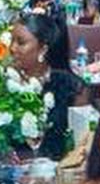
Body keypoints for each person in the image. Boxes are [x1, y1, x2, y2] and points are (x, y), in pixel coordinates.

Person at [9, 9, 82, 160]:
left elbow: (82, 143)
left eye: (20, 43)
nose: (12, 48)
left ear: (43, 49)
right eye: (12, 41)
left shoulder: (70, 87)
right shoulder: (4, 82)